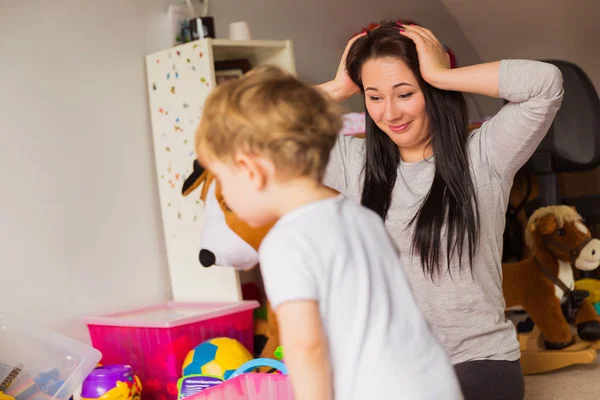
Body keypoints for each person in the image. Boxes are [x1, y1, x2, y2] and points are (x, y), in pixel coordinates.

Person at [317, 21, 564, 400]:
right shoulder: (355, 165)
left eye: (404, 93)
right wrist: (339, 86)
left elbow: (545, 85)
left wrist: (440, 73)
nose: (390, 113)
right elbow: (250, 129)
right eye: (374, 97)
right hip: (389, 364)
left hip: (477, 361)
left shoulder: (485, 155)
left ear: (433, 90)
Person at [195, 65, 463, 400]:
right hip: (434, 381)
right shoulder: (362, 216)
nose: (226, 198)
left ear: (251, 170)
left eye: (222, 180)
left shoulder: (284, 243)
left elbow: (306, 347)